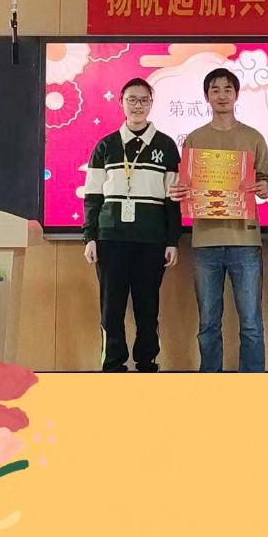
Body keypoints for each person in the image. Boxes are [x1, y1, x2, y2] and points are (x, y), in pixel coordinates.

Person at [169, 68, 268, 372]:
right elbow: (187, 186)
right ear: (206, 97)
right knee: (208, 323)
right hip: (206, 242)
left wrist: (264, 188)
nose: (222, 95)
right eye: (215, 90)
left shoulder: (253, 137)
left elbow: (266, 182)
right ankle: (211, 383)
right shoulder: (194, 139)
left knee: (251, 323)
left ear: (236, 94)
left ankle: (251, 384)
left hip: (245, 241)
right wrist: (180, 191)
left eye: (228, 89)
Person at [82, 77, 182, 372]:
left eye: (144, 100)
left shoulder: (166, 146)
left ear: (151, 104)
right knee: (111, 308)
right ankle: (113, 365)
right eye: (132, 100)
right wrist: (90, 236)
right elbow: (92, 196)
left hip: (151, 241)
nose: (138, 106)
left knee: (147, 308)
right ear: (121, 103)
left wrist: (172, 241)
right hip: (110, 239)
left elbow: (172, 200)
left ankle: (147, 363)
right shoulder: (106, 146)